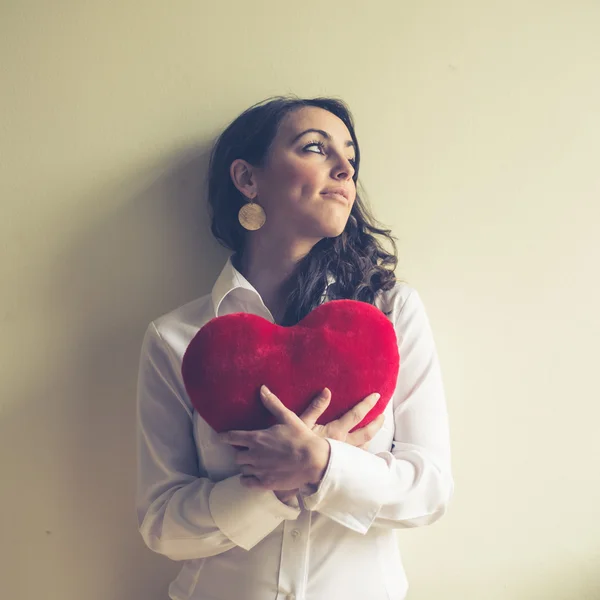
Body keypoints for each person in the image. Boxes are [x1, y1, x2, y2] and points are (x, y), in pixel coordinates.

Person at [135, 96, 453, 600]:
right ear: (247, 180)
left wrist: (324, 466)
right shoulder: (177, 338)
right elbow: (162, 525)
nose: (346, 167)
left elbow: (430, 489)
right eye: (315, 148)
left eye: (351, 155)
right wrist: (272, 486)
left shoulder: (392, 314)